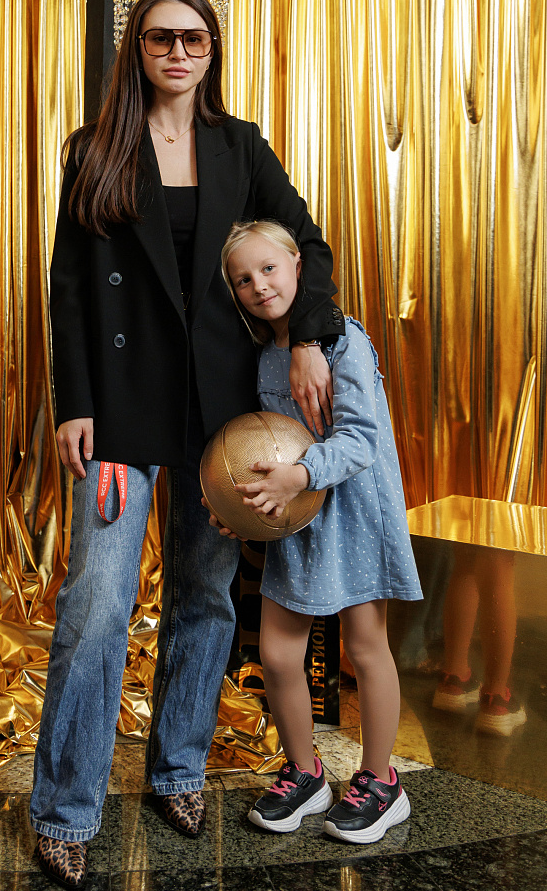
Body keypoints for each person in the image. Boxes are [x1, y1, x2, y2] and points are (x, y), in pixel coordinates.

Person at [30, 0, 345, 888]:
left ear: (212, 51)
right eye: (162, 37)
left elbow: (308, 246)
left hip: (221, 411)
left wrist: (310, 336)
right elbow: (70, 289)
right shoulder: (94, 149)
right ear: (137, 47)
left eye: (194, 39)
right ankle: (64, 812)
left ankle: (176, 771)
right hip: (120, 407)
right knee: (97, 604)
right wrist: (74, 402)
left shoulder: (239, 145)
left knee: (206, 595)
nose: (178, 52)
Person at [215, 219, 423, 843]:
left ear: (298, 268)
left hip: (354, 512)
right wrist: (240, 502)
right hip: (299, 521)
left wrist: (298, 476)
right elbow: (264, 443)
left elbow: (360, 439)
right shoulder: (263, 355)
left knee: (365, 646)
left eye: (269, 269)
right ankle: (306, 774)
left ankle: (382, 783)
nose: (259, 285)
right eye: (243, 279)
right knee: (279, 653)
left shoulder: (343, 341)